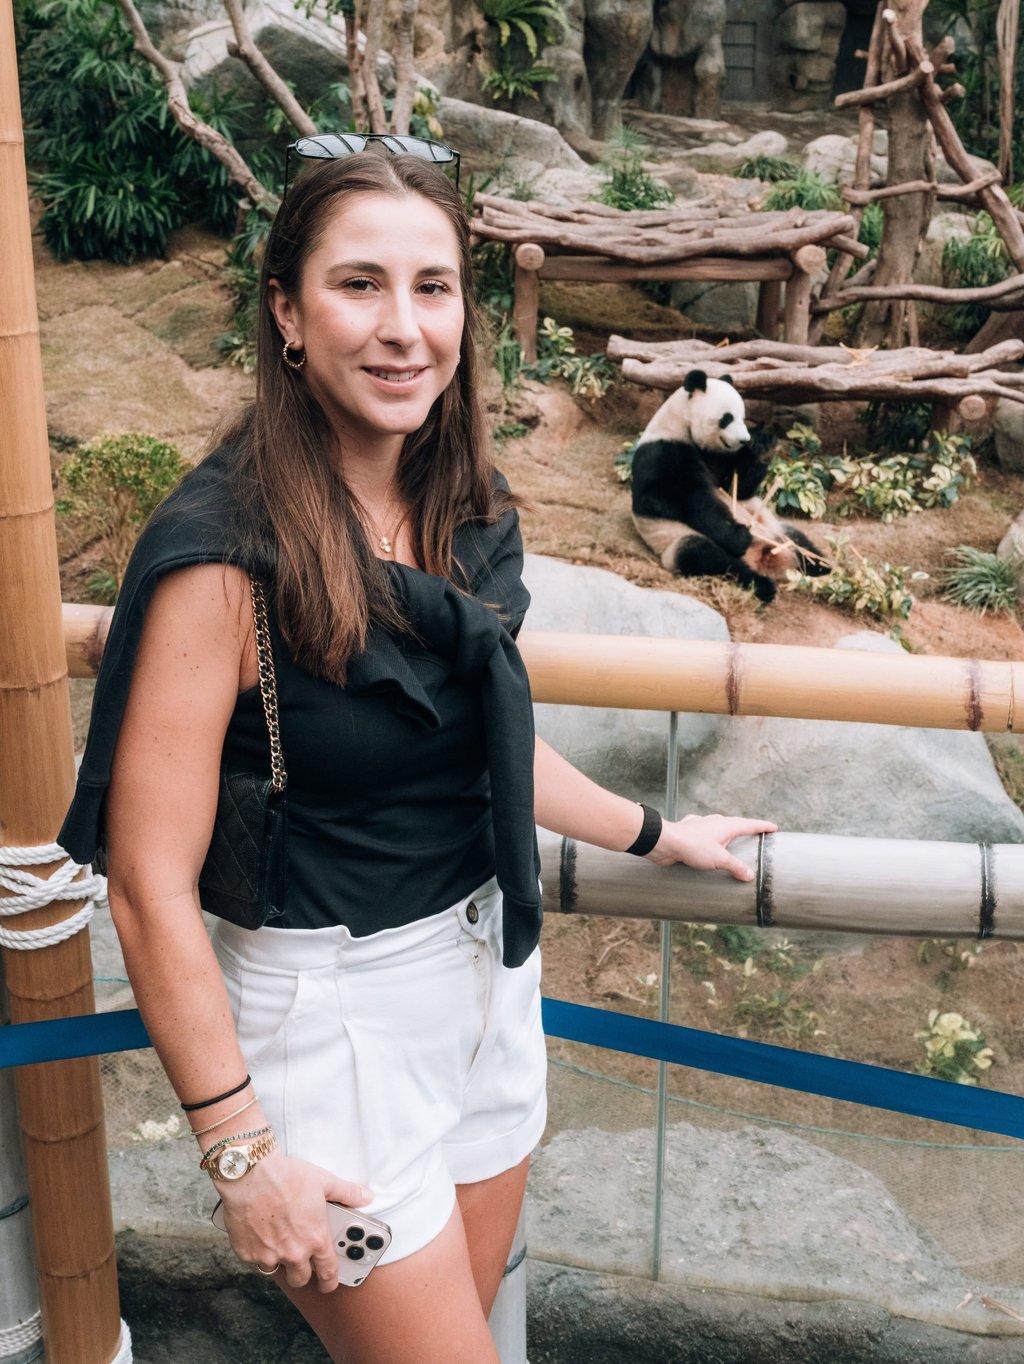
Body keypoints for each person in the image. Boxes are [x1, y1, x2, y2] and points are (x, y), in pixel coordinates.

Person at [60, 139, 775, 1364]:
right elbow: (147, 882)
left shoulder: (460, 497)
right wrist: (238, 1150)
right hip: (334, 1023)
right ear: (285, 309)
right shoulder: (222, 553)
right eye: (359, 285)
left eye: (431, 287)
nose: (403, 329)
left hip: (486, 979)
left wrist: (655, 832)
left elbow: (483, 743)